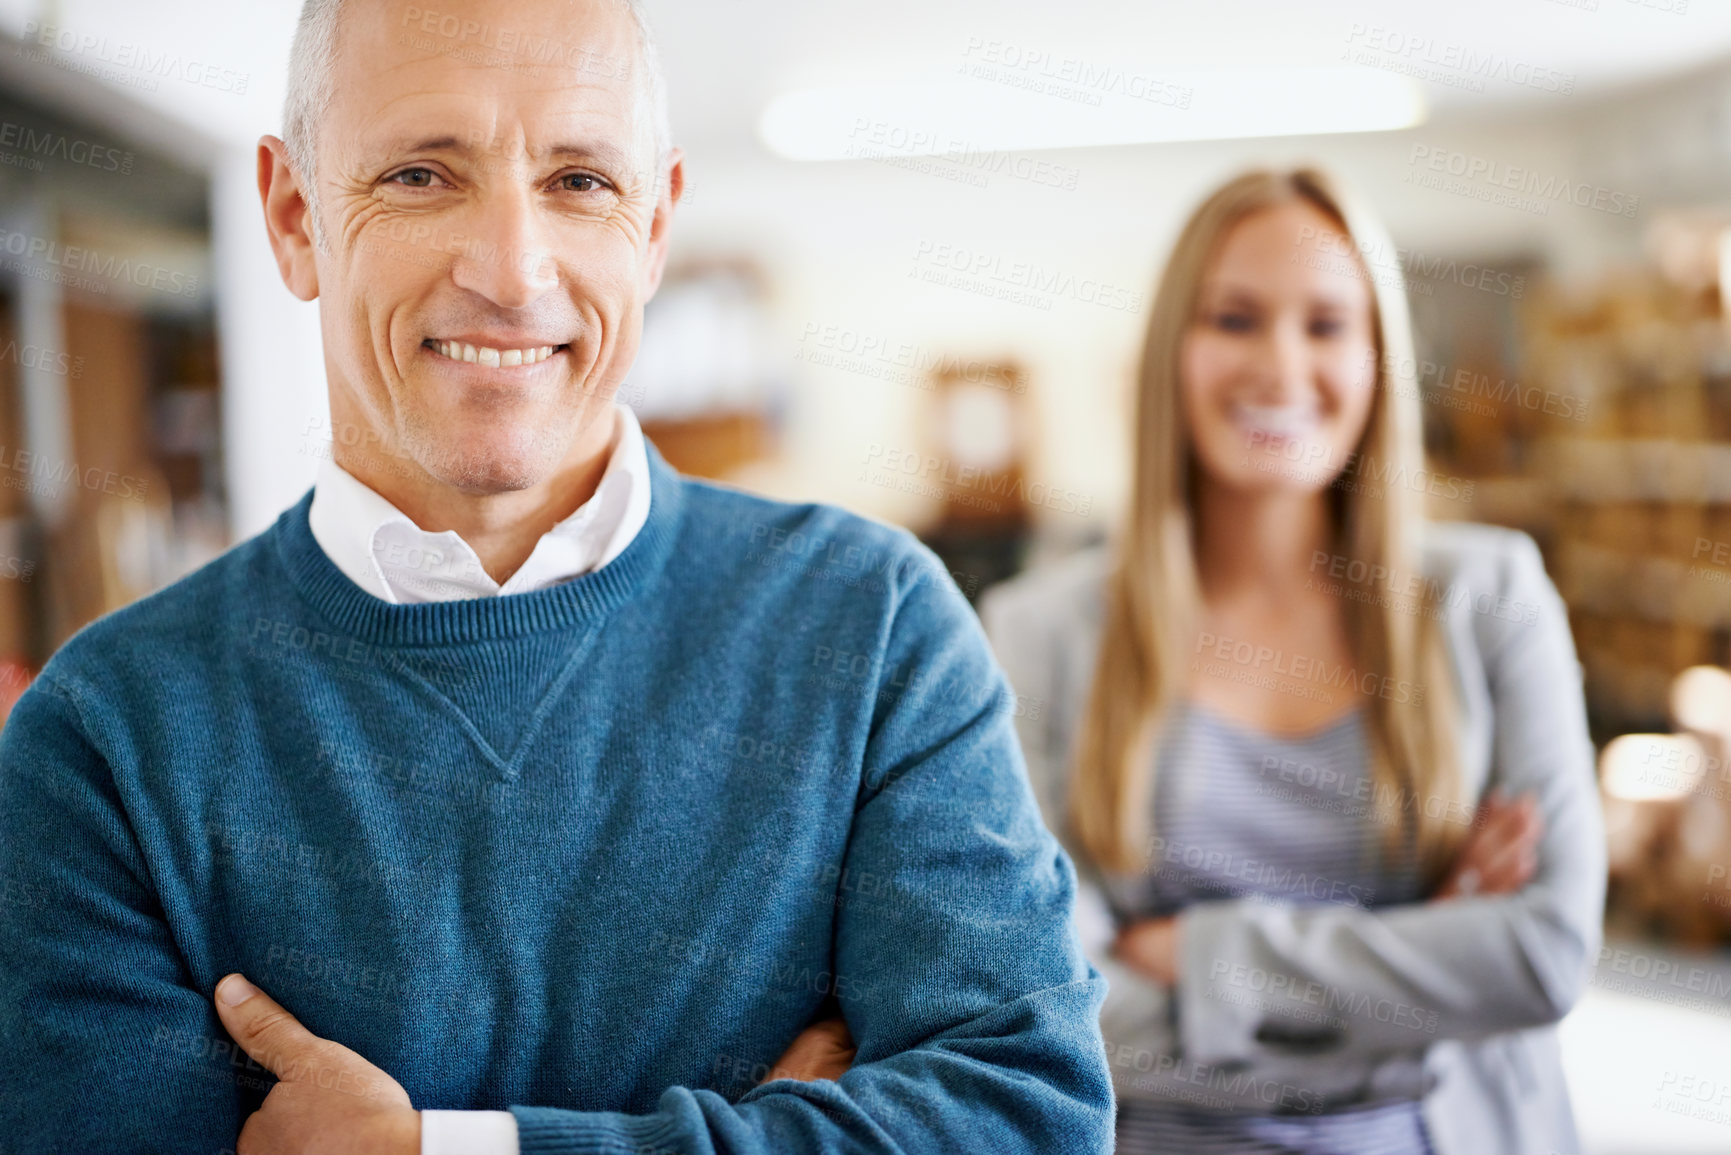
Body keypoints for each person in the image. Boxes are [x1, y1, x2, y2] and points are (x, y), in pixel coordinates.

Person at [0, 1, 1115, 1152]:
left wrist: (437, 1148)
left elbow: (1028, 1118)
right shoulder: (105, 739)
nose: (511, 270)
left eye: (581, 180)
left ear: (657, 224)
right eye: (424, 175)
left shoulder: (871, 628)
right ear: (293, 216)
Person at [980, 167, 1605, 1155]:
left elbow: (1541, 954)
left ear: (1378, 358)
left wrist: (1208, 954)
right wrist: (1419, 989)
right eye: (1234, 319)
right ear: (1170, 354)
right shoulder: (1039, 632)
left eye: (1325, 325)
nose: (1280, 364)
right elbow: (1050, 1013)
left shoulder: (1492, 599)